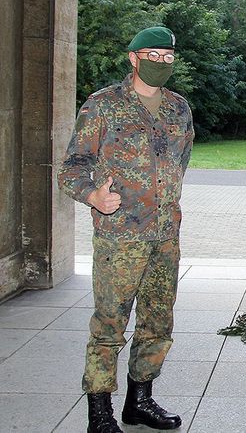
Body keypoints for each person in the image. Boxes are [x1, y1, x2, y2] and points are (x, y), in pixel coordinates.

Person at [59, 26, 194, 432]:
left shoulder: (178, 108)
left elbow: (179, 162)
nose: (161, 63)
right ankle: (99, 411)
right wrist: (93, 197)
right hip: (120, 237)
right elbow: (72, 168)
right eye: (153, 55)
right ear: (133, 57)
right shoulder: (102, 106)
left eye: (168, 57)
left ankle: (140, 401)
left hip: (164, 236)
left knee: (157, 322)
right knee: (109, 324)